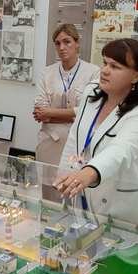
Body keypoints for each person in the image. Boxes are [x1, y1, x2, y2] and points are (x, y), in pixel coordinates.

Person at [54, 38, 138, 229]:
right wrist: (64, 178)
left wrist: (89, 172)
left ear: (136, 76)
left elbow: (121, 150)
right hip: (84, 200)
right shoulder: (92, 93)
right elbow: (75, 141)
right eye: (105, 63)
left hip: (124, 212)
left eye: (115, 67)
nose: (105, 70)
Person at [34, 23, 100, 168]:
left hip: (78, 144)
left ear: (77, 43)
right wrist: (74, 115)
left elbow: (89, 112)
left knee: (73, 181)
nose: (62, 47)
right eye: (58, 43)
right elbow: (40, 112)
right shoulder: (46, 73)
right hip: (49, 143)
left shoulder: (93, 72)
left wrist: (50, 113)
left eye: (67, 42)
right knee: (47, 182)